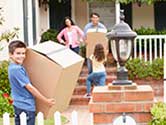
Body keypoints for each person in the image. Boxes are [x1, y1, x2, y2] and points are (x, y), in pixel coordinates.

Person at [8, 40, 55, 125]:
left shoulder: (12, 67)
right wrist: (46, 101)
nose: (22, 56)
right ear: (11, 55)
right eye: (18, 53)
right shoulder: (17, 69)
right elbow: (30, 87)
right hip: (26, 106)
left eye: (23, 53)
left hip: (18, 104)